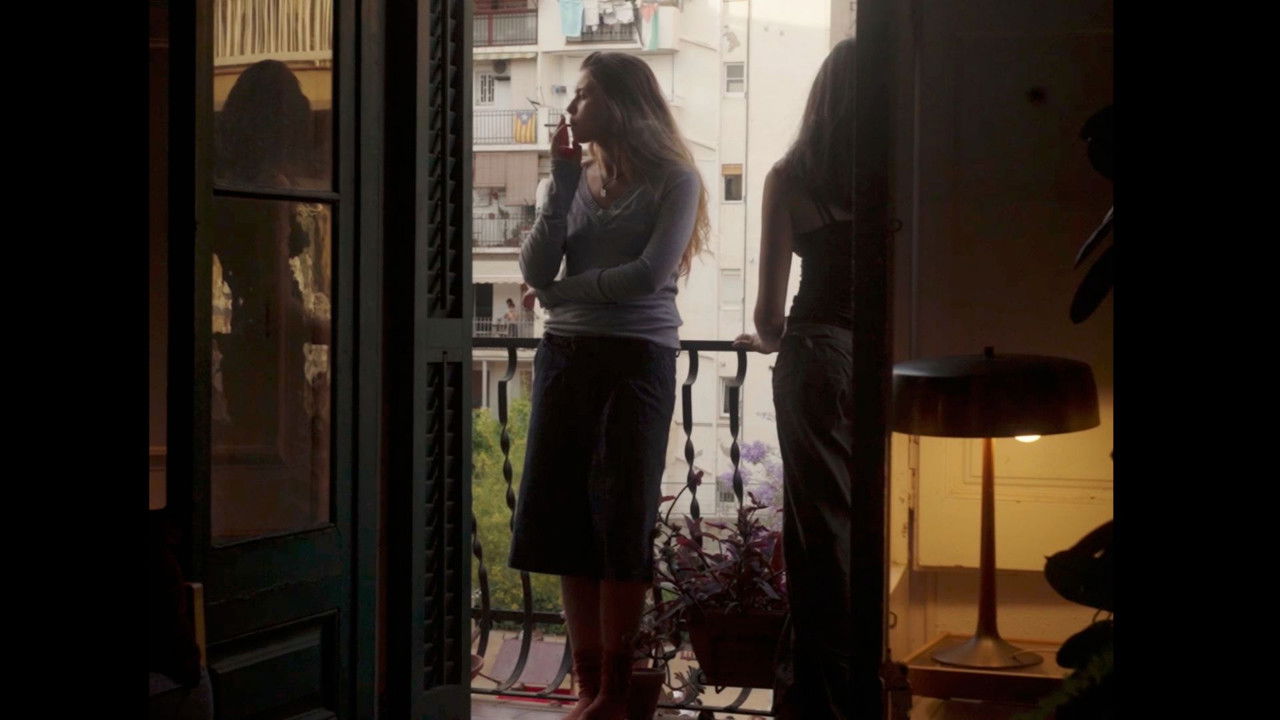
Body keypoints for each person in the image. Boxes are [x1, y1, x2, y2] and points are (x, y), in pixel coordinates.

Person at [508, 51, 709, 720]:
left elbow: (649, 275)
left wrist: (562, 294)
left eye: (585, 94)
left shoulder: (675, 179)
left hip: (637, 359)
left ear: (623, 102)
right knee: (566, 520)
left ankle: (619, 693)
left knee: (621, 519)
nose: (571, 107)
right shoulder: (567, 178)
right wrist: (562, 183)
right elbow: (537, 266)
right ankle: (588, 687)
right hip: (565, 355)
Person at [732, 38, 858, 720]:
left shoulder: (791, 176)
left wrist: (764, 340)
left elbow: (770, 317)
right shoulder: (892, 171)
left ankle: (818, 698)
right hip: (880, 361)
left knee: (819, 534)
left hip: (816, 359)